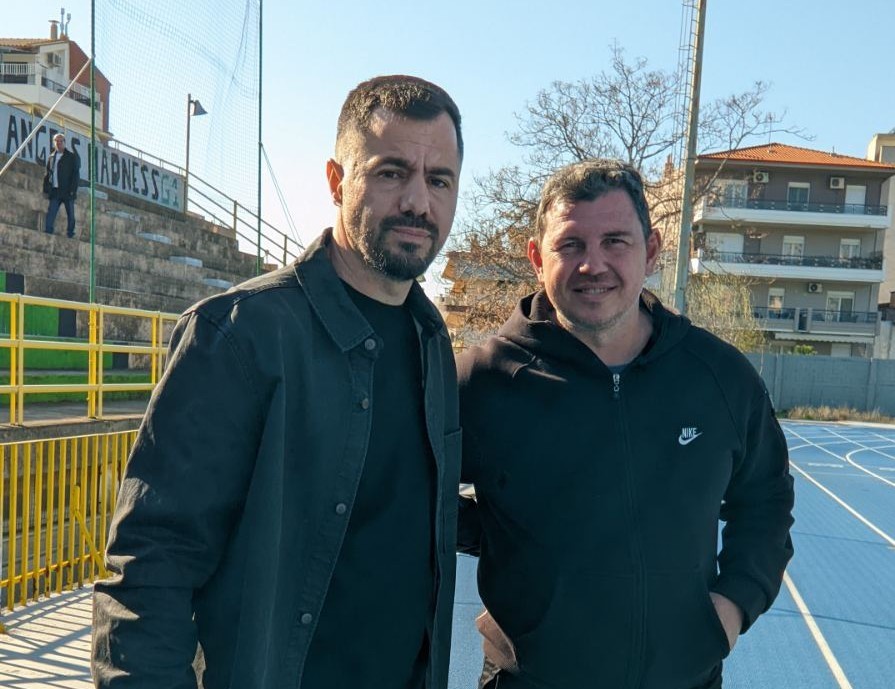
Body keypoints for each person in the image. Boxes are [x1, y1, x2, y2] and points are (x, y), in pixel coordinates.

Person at [92, 75, 464, 689]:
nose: (418, 202)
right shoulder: (239, 335)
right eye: (392, 172)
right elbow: (153, 565)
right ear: (337, 180)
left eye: (440, 180)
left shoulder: (432, 342)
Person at [457, 159, 795, 689]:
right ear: (536, 258)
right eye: (570, 245)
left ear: (651, 251)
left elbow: (766, 502)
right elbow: (411, 490)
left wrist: (731, 608)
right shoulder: (482, 380)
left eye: (615, 241)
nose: (593, 265)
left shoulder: (719, 377)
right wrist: (505, 534)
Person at [43, 132, 80, 238]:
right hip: (55, 190)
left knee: (71, 214)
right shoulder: (51, 157)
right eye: (56, 141)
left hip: (67, 191)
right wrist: (45, 188)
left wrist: (73, 190)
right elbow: (47, 174)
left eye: (60, 141)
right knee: (51, 211)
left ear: (64, 142)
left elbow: (75, 175)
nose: (58, 143)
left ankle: (70, 233)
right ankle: (48, 230)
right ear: (54, 143)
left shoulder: (71, 157)